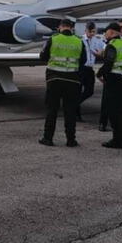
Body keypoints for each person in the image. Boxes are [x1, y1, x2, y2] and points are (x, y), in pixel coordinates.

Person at [38, 19, 87, 147]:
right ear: (71, 28)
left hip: (54, 79)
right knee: (70, 111)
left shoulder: (53, 39)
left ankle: (48, 138)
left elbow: (43, 57)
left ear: (60, 27)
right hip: (72, 80)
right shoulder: (79, 41)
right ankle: (71, 140)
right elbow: (83, 61)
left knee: (52, 110)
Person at [77, 22, 105, 121]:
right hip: (80, 69)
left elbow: (106, 47)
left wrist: (101, 52)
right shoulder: (79, 40)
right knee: (78, 91)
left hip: (89, 69)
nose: (92, 34)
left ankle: (75, 104)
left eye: (93, 31)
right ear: (85, 31)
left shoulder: (97, 40)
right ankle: (77, 115)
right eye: (90, 31)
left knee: (89, 91)